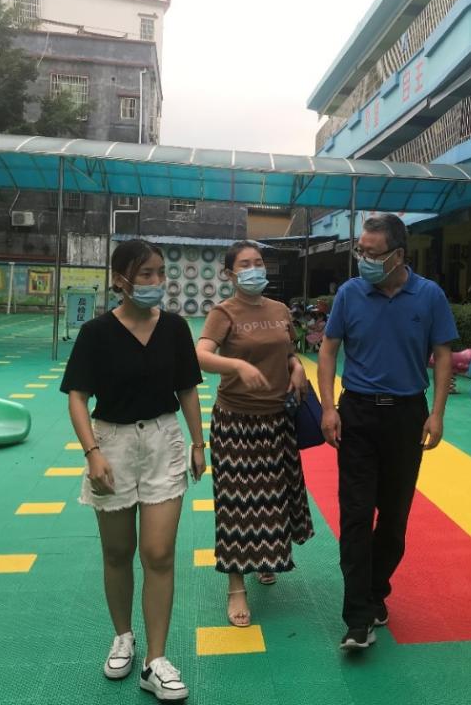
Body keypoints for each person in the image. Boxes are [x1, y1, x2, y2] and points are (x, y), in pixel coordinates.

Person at [61, 238, 204, 702]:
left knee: (159, 553)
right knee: (118, 551)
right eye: (146, 274)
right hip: (113, 444)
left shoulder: (176, 328)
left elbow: (187, 389)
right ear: (120, 279)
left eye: (160, 272)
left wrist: (198, 443)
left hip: (164, 442)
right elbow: (78, 397)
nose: (156, 281)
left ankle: (155, 661)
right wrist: (92, 452)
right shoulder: (96, 333)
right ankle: (123, 635)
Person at [318, 214, 457, 652]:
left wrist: (437, 414)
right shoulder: (349, 293)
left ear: (398, 255)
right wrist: (328, 407)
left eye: (372, 253)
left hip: (406, 416)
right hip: (357, 414)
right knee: (356, 516)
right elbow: (328, 350)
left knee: (394, 520)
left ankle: (376, 591)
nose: (364, 259)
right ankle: (358, 618)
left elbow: (443, 354)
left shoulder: (429, 295)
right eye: (360, 250)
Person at [195, 241, 315, 628]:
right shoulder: (223, 312)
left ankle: (265, 558)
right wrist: (236, 366)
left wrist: (297, 367)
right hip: (236, 421)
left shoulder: (279, 310)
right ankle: (236, 586)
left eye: (258, 262)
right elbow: (201, 354)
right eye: (244, 264)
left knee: (273, 498)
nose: (253, 269)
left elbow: (287, 351)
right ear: (229, 274)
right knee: (236, 503)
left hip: (277, 419)